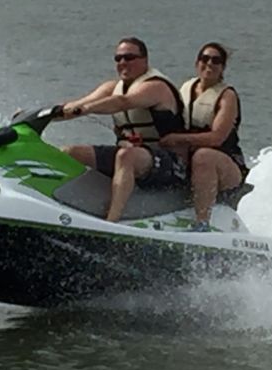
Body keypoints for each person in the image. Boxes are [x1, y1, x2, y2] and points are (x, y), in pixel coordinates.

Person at [58, 37, 188, 222]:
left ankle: (111, 221)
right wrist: (46, 115)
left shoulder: (156, 87)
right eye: (118, 58)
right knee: (69, 153)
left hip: (173, 164)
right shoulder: (112, 88)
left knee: (126, 156)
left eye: (129, 57)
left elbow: (123, 102)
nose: (123, 62)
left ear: (145, 60)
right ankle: (65, 207)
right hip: (135, 156)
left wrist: (86, 109)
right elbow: (77, 104)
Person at [159, 42, 247, 232]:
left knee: (203, 157)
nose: (209, 64)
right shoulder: (186, 88)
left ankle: (202, 223)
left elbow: (216, 138)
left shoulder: (227, 96)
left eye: (216, 61)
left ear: (222, 67)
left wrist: (179, 139)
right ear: (197, 63)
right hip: (190, 157)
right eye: (204, 59)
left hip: (227, 167)